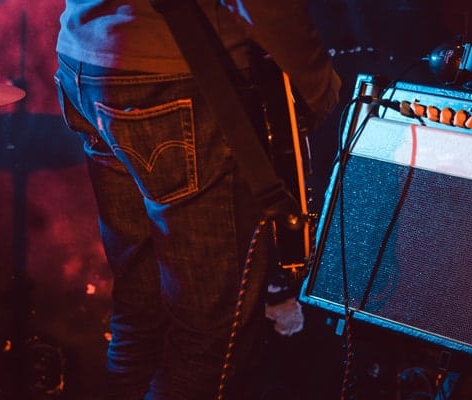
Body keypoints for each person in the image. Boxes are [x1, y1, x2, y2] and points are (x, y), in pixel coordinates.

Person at [53, 0, 341, 399]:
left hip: (87, 57)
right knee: (211, 331)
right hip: (176, 70)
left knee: (141, 310)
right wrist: (316, 82)